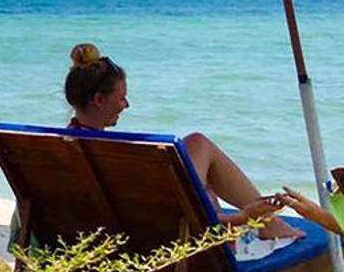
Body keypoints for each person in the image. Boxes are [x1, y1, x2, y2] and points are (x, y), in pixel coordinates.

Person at [64, 43, 300, 240]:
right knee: (199, 143)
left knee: (200, 169)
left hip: (102, 237)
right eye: (122, 98)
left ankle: (268, 225)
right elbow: (161, 216)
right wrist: (241, 217)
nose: (126, 105)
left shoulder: (65, 148)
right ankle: (270, 225)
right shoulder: (109, 154)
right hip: (155, 240)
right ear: (98, 99)